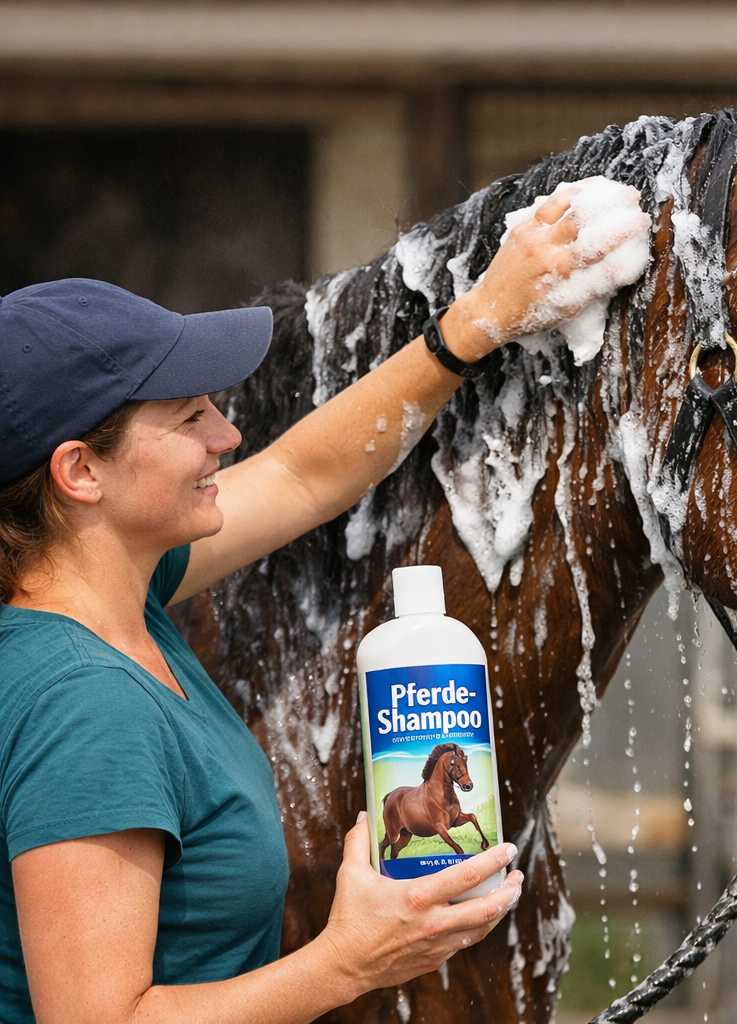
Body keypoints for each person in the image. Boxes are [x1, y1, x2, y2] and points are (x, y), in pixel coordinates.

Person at [0, 190, 626, 1023]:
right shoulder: (86, 704)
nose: (227, 435)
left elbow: (305, 473)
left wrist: (475, 322)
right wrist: (348, 962)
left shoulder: (117, 597)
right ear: (80, 472)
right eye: (190, 416)